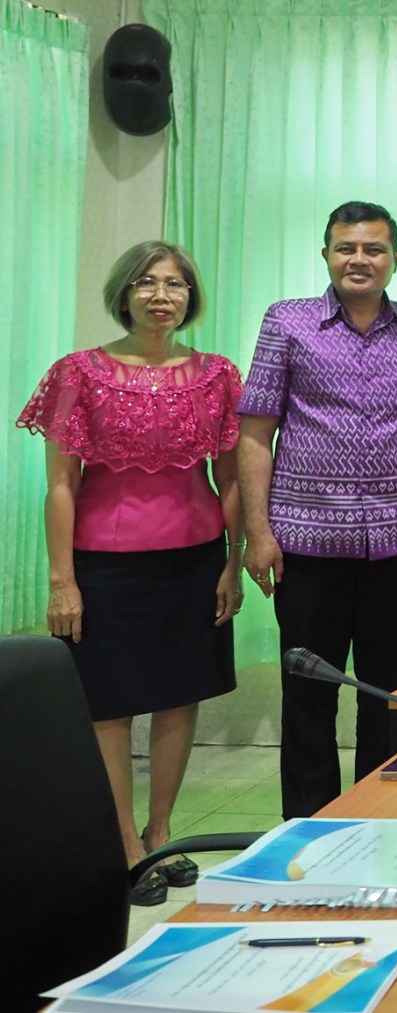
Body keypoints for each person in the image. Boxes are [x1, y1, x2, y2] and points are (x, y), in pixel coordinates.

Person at [17, 241, 242, 905]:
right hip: (103, 565)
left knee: (180, 692)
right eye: (146, 282)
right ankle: (125, 843)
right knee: (108, 704)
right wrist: (62, 581)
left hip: (194, 559)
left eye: (174, 283)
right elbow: (62, 484)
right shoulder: (77, 373)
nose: (160, 295)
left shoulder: (219, 374)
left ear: (190, 296)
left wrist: (233, 561)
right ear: (124, 293)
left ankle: (161, 831)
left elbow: (231, 480)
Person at [238, 201, 397, 819]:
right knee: (308, 693)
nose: (360, 259)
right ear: (327, 254)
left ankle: (378, 819)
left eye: (374, 249)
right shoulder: (287, 321)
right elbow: (255, 433)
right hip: (305, 543)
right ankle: (309, 827)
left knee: (387, 693)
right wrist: (258, 531)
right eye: (347, 248)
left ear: (395, 259)